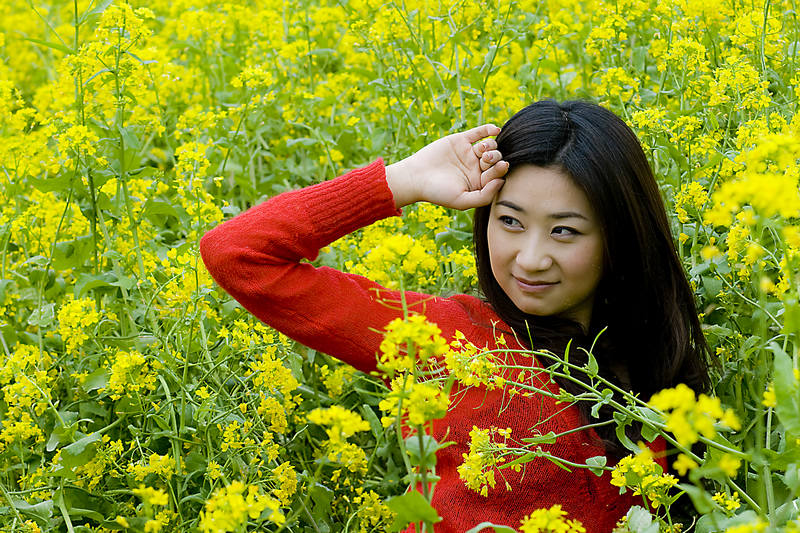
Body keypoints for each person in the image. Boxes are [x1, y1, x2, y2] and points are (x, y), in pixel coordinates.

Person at [199, 99, 710, 532]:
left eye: (564, 231)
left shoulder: (661, 369)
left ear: (620, 237)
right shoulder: (446, 339)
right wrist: (402, 181)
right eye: (509, 221)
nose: (529, 258)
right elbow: (238, 254)